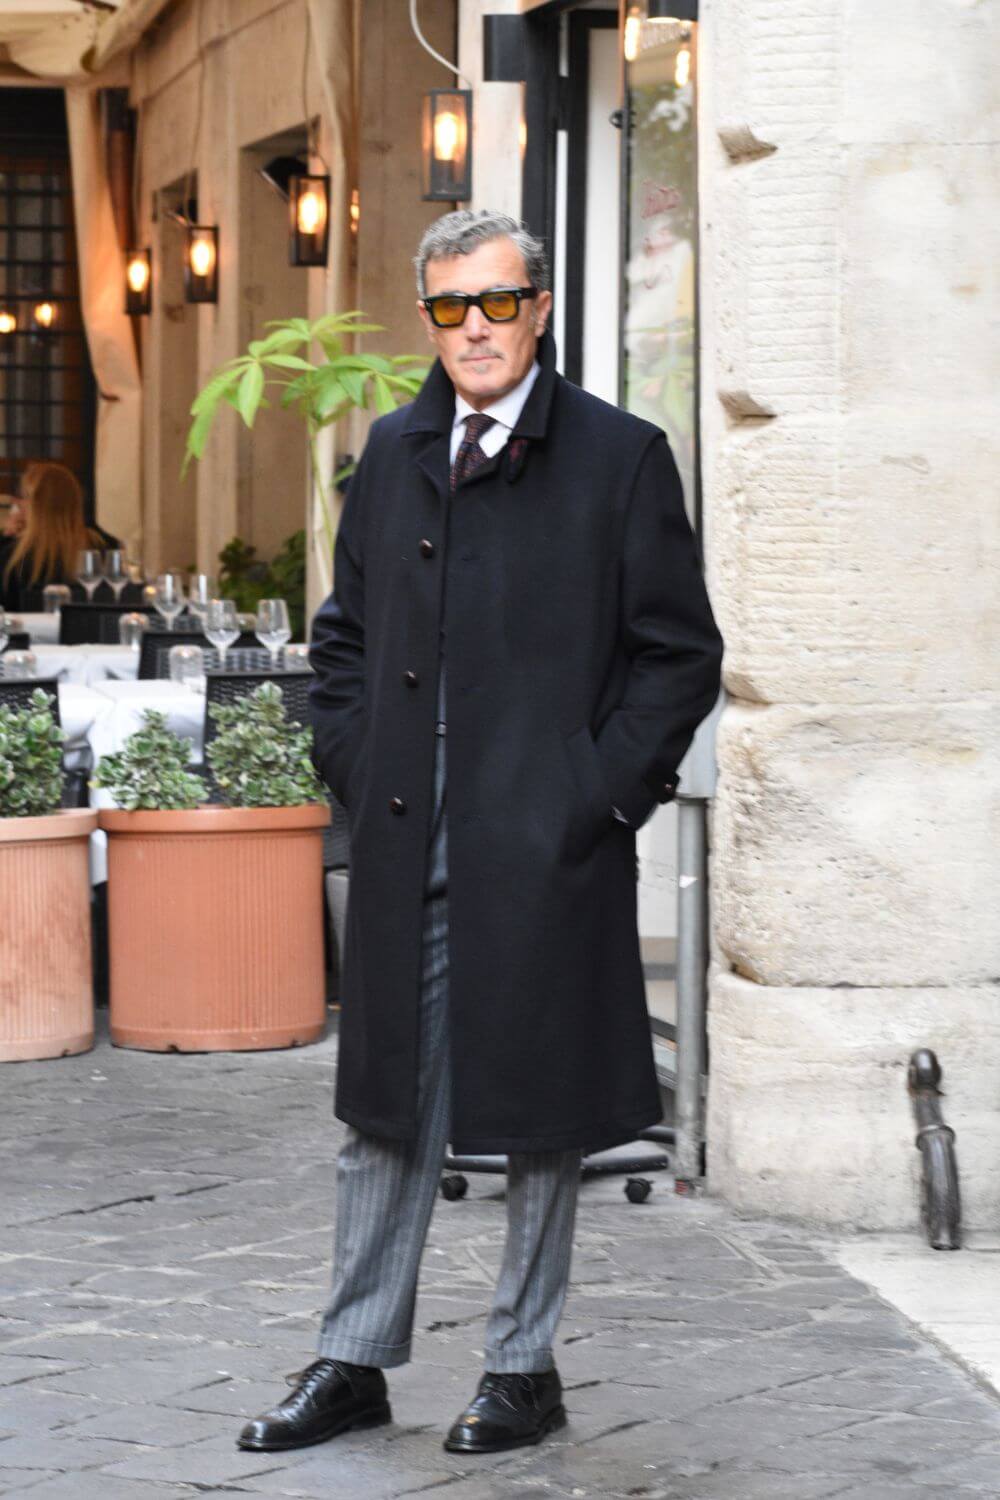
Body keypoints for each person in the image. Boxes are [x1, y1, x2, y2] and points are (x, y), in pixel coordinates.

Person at [239, 210, 724, 1457]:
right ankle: (353, 1357)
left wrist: (593, 795)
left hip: (544, 834)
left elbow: (678, 657)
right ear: (429, 319)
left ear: (539, 309)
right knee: (383, 1105)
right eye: (450, 308)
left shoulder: (619, 457)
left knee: (540, 1109)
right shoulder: (393, 448)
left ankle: (521, 1367)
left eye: (497, 303)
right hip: (407, 829)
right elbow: (342, 642)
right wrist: (355, 762)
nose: (474, 330)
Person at [0, 461, 115, 612]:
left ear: (33, 506)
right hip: (87, 627)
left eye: (23, 498)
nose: (19, 504)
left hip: (29, 628)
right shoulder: (103, 547)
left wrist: (6, 537)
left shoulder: (12, 555)